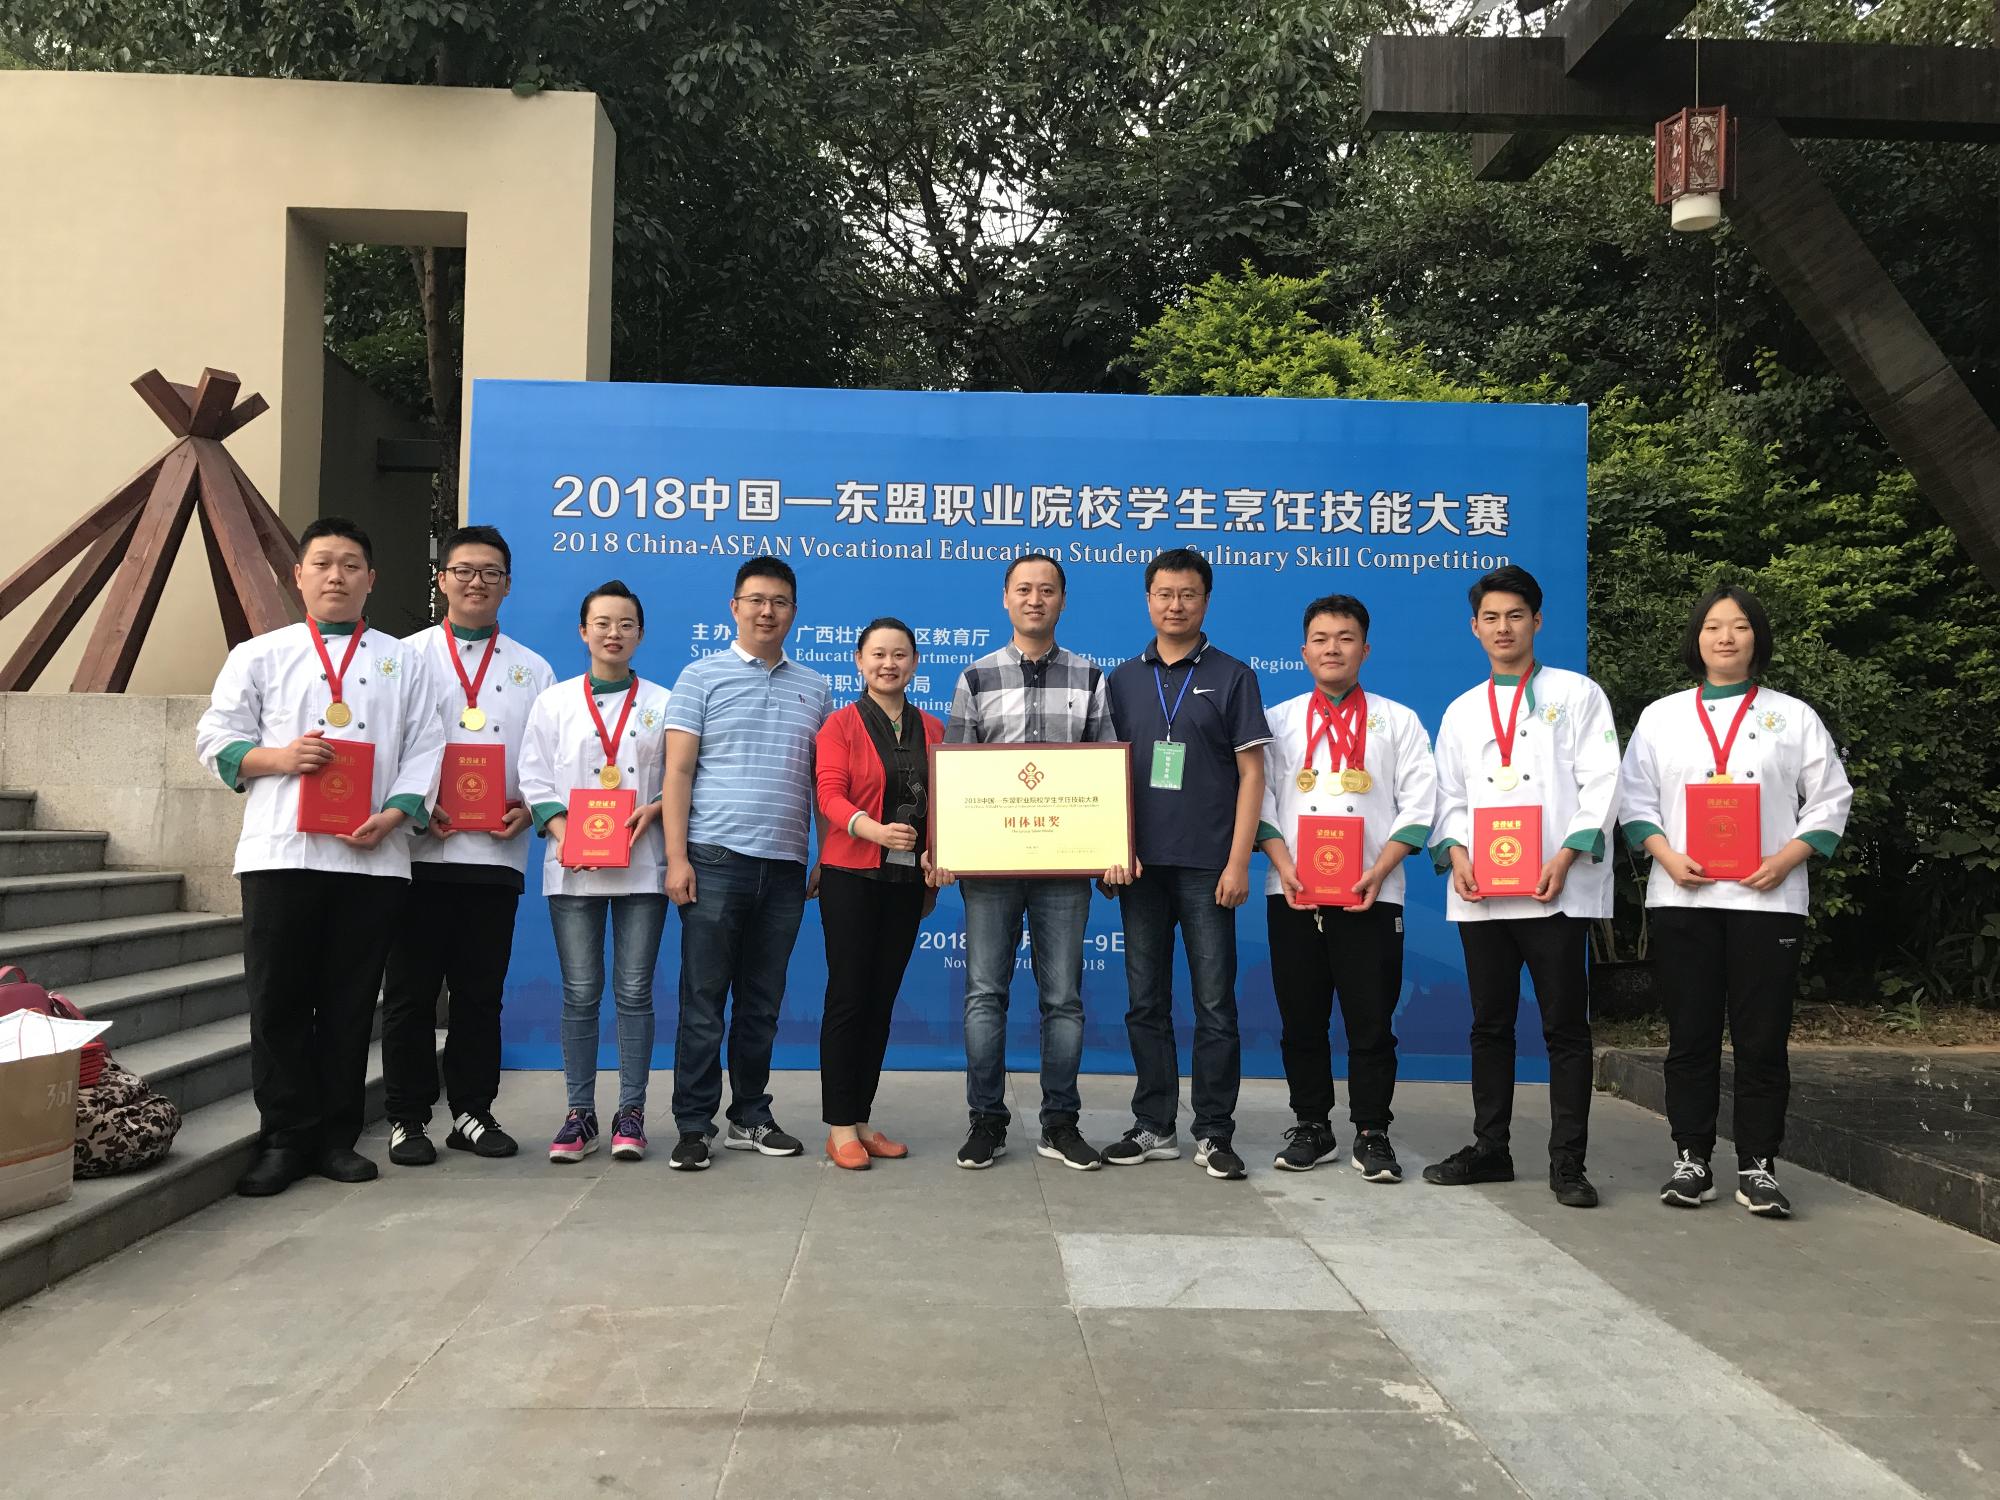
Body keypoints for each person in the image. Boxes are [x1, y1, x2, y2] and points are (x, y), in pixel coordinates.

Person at [195, 516, 446, 1197]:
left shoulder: (404, 661)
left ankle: (337, 1138)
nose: (337, 576)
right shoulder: (259, 654)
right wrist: (279, 758)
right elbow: (214, 737)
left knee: (349, 1003)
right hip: (281, 852)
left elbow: (427, 746)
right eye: (324, 563)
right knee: (277, 1000)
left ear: (372, 579)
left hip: (372, 859)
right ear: (298, 575)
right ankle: (284, 1139)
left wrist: (395, 814)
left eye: (351, 564)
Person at [1618, 586, 1852, 1218]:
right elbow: (1634, 798)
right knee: (1690, 1035)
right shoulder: (1663, 716)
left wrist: (1787, 857)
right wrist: (1665, 855)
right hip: (1683, 897)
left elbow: (1830, 796)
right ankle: (1691, 1158)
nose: (1726, 637)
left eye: (1740, 626)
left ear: (1757, 638)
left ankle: (1759, 1165)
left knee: (1762, 1039)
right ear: (1696, 639)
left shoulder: (1793, 716)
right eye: (1713, 626)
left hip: (1767, 899)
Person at [1424, 565, 1619, 1208]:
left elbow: (1602, 781)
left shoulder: (1577, 694)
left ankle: (1568, 1163)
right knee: (1490, 1024)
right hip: (1484, 893)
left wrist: (1566, 856)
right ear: (1474, 627)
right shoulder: (1462, 710)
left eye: (1515, 616)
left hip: (1553, 888)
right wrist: (1457, 854)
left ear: (1537, 621)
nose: (1503, 628)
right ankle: (1491, 1149)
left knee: (1565, 1028)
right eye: (1491, 618)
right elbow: (1447, 796)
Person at [936, 552, 1128, 1172]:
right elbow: (956, 773)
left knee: (1063, 999)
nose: (1035, 600)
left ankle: (1060, 1123)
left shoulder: (1091, 677)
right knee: (984, 995)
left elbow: (1105, 771)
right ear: (1006, 598)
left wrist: (1113, 850)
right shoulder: (975, 678)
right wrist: (948, 847)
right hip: (990, 869)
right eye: (1024, 589)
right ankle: (986, 1121)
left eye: (1047, 590)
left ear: (1063, 600)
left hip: (1064, 871)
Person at [380, 525, 555, 1166]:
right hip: (417, 855)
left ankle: (472, 1112)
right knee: (410, 996)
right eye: (464, 570)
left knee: (481, 995)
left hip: (494, 857)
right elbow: (388, 747)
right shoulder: (403, 658)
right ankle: (407, 1118)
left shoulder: (534, 668)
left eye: (490, 572)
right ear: (442, 580)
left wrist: (530, 809)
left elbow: (545, 758)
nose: (477, 582)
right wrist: (415, 806)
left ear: (507, 585)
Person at [1102, 549, 1271, 1181]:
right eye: (1165, 594)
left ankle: (1214, 1131)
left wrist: (1239, 862)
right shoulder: (1121, 680)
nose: (1176, 605)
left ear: (1206, 601)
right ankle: (1153, 1124)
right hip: (1141, 869)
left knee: (1214, 1005)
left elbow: (1253, 775)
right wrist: (1111, 851)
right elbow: (1102, 776)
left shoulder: (1233, 676)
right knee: (1144, 1003)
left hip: (1208, 867)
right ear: (1148, 600)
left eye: (1188, 594)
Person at [1256, 594, 1436, 1181]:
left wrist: (1379, 870)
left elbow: (1419, 805)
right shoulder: (1278, 721)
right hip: (1293, 892)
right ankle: (1311, 1125)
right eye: (1321, 638)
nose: (1332, 648)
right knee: (1301, 1019)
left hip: (1372, 895)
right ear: (1303, 650)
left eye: (1345, 637)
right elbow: (1260, 802)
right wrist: (1283, 865)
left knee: (1371, 1020)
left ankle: (1372, 1130)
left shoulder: (1398, 720)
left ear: (1365, 648)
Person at [662, 559, 834, 1171]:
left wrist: (824, 853)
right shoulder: (700, 676)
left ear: (794, 612)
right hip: (713, 860)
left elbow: (821, 783)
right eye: (756, 600)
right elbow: (677, 771)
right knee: (704, 1002)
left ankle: (750, 1116)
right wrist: (676, 857)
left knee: (762, 1003)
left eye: (780, 602)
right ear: (734, 607)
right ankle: (693, 1124)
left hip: (784, 867)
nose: (767, 611)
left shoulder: (815, 687)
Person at [517, 581, 670, 1163]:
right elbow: (533, 777)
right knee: (581, 993)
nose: (614, 633)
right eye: (602, 623)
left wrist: (656, 808)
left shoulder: (663, 702)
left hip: (642, 867)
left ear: (640, 634)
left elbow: (680, 778)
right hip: (573, 868)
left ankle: (632, 1112)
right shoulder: (554, 701)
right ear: (583, 631)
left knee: (634, 992)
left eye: (626, 624)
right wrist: (565, 833)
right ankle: (579, 1113)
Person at [812, 618, 946, 1169]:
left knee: (882, 999)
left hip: (906, 883)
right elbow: (829, 794)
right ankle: (839, 1125)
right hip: (850, 875)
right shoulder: (839, 725)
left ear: (914, 663)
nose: (888, 664)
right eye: (878, 654)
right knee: (849, 996)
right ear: (859, 661)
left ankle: (862, 1118)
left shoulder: (934, 728)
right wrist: (873, 831)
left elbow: (946, 804)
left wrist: (937, 853)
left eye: (899, 655)